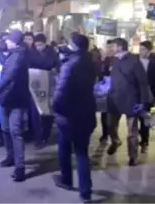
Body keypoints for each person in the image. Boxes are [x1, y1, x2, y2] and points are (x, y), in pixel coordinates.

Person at [52, 33, 96, 203]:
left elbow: (61, 91)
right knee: (82, 153)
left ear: (74, 46)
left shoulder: (70, 65)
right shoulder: (90, 63)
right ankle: (85, 192)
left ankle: (66, 179)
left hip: (68, 114)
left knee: (64, 147)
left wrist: (55, 108)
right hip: (86, 113)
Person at [106, 38, 152, 166]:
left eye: (113, 46)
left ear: (120, 47)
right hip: (114, 99)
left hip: (132, 100)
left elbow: (143, 82)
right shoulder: (114, 60)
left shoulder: (134, 60)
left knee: (132, 131)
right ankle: (115, 141)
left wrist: (143, 101)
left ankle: (133, 156)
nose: (111, 48)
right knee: (110, 125)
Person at [0, 29, 30, 182]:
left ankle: (20, 167)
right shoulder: (14, 54)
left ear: (14, 41)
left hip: (15, 99)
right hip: (7, 98)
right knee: (6, 129)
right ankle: (10, 157)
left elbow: (9, 75)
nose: (6, 42)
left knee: (15, 131)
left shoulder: (19, 56)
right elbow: (6, 65)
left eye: (8, 40)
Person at [28, 33, 59, 149]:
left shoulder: (52, 52)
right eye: (36, 45)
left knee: (47, 112)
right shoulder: (30, 52)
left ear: (45, 43)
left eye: (40, 45)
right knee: (35, 113)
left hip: (48, 86)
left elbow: (56, 65)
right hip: (34, 86)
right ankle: (37, 137)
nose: (38, 47)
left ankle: (46, 134)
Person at [137, 41, 155, 153]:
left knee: (146, 119)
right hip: (136, 94)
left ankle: (144, 142)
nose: (140, 51)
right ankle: (137, 137)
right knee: (135, 118)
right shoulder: (135, 61)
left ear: (149, 50)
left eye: (143, 49)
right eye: (140, 49)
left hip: (149, 95)